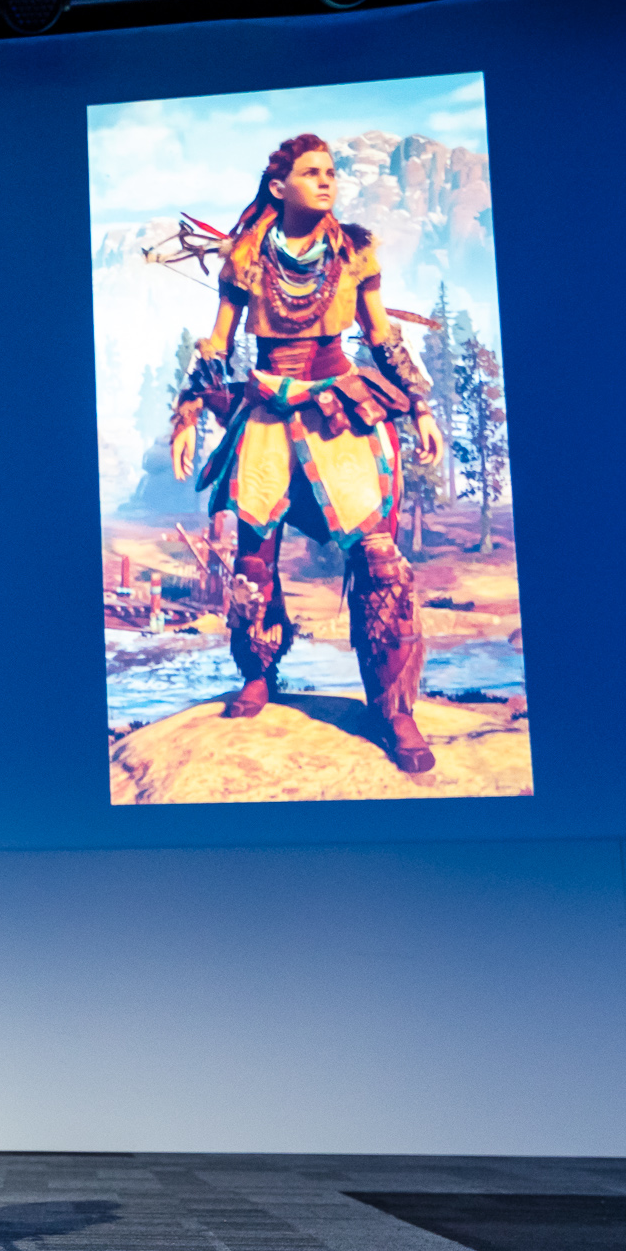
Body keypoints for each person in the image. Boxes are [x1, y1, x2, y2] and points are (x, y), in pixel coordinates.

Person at [171, 133, 444, 773]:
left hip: (340, 411)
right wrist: (187, 412)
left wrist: (421, 406)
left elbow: (381, 336)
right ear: (279, 186)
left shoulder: (354, 251)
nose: (327, 181)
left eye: (332, 172)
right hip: (268, 413)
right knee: (255, 557)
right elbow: (217, 343)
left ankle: (393, 707)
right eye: (312, 172)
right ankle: (257, 675)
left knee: (378, 557)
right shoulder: (246, 257)